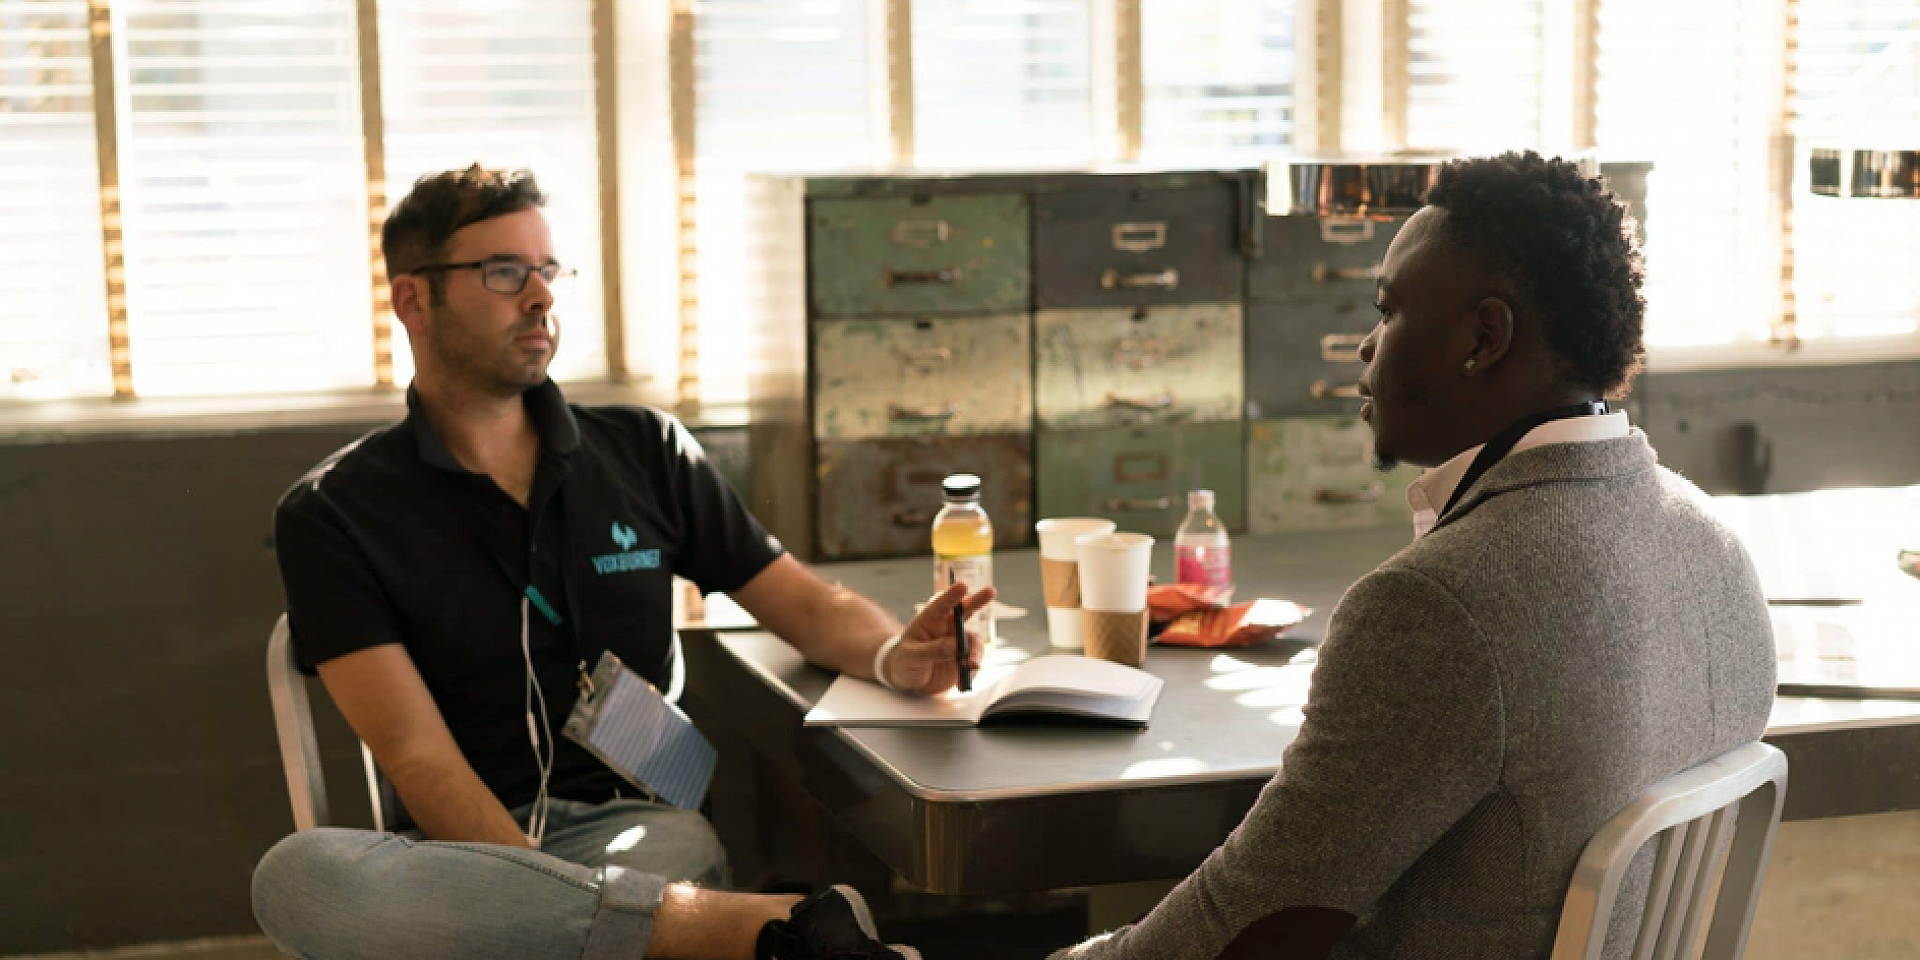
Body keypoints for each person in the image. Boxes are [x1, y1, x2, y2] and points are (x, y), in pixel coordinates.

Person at [1044, 152, 1776, 959]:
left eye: (1388, 313)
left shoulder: (1437, 605)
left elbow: (1258, 926)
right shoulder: (1712, 543)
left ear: (1483, 338)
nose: (1364, 349)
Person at [251, 164, 990, 960]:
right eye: (503, 272)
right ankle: (770, 930)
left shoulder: (644, 450)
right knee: (296, 875)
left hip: (634, 833)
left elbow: (806, 604)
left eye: (547, 270)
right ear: (412, 300)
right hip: (453, 858)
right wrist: (534, 901)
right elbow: (417, 758)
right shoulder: (333, 514)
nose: (539, 297)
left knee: (671, 859)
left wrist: (897, 654)